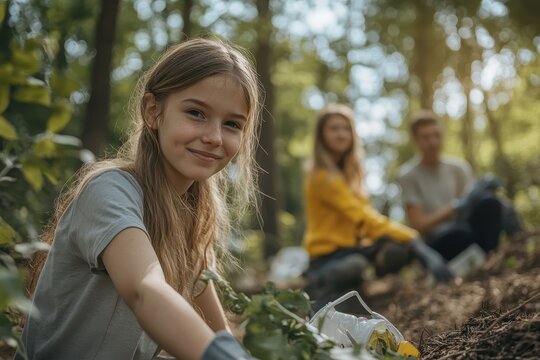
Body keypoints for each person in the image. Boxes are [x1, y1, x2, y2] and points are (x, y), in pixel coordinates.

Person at [17, 39, 258, 360]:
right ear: (153, 111)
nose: (214, 136)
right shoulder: (109, 191)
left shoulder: (191, 219)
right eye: (196, 113)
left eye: (231, 124)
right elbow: (144, 290)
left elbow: (218, 331)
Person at [303, 104, 451, 310]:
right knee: (356, 264)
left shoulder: (349, 176)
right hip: (327, 257)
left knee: (397, 249)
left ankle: (356, 286)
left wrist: (408, 243)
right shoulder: (322, 177)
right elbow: (365, 219)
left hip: (354, 248)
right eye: (334, 129)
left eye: (346, 129)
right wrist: (416, 239)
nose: (341, 134)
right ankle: (320, 286)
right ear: (322, 136)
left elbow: (368, 224)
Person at [398, 110, 522, 261]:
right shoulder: (408, 176)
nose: (433, 142)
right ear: (415, 140)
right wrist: (456, 206)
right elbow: (417, 224)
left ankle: (492, 259)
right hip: (438, 241)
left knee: (490, 203)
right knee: (459, 234)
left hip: (466, 229)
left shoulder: (459, 168)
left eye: (437, 135)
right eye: (426, 137)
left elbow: (474, 209)